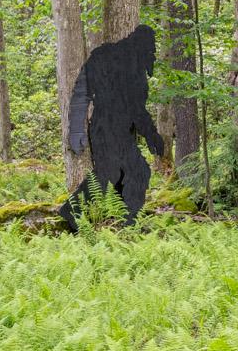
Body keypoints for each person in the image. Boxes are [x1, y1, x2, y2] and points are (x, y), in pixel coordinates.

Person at [59, 24, 168, 229]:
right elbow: (81, 94)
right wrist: (76, 132)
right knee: (108, 175)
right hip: (105, 127)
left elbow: (137, 109)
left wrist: (151, 135)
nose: (152, 56)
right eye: (150, 51)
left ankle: (127, 222)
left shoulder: (135, 68)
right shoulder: (104, 56)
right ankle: (70, 215)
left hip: (124, 131)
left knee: (137, 172)